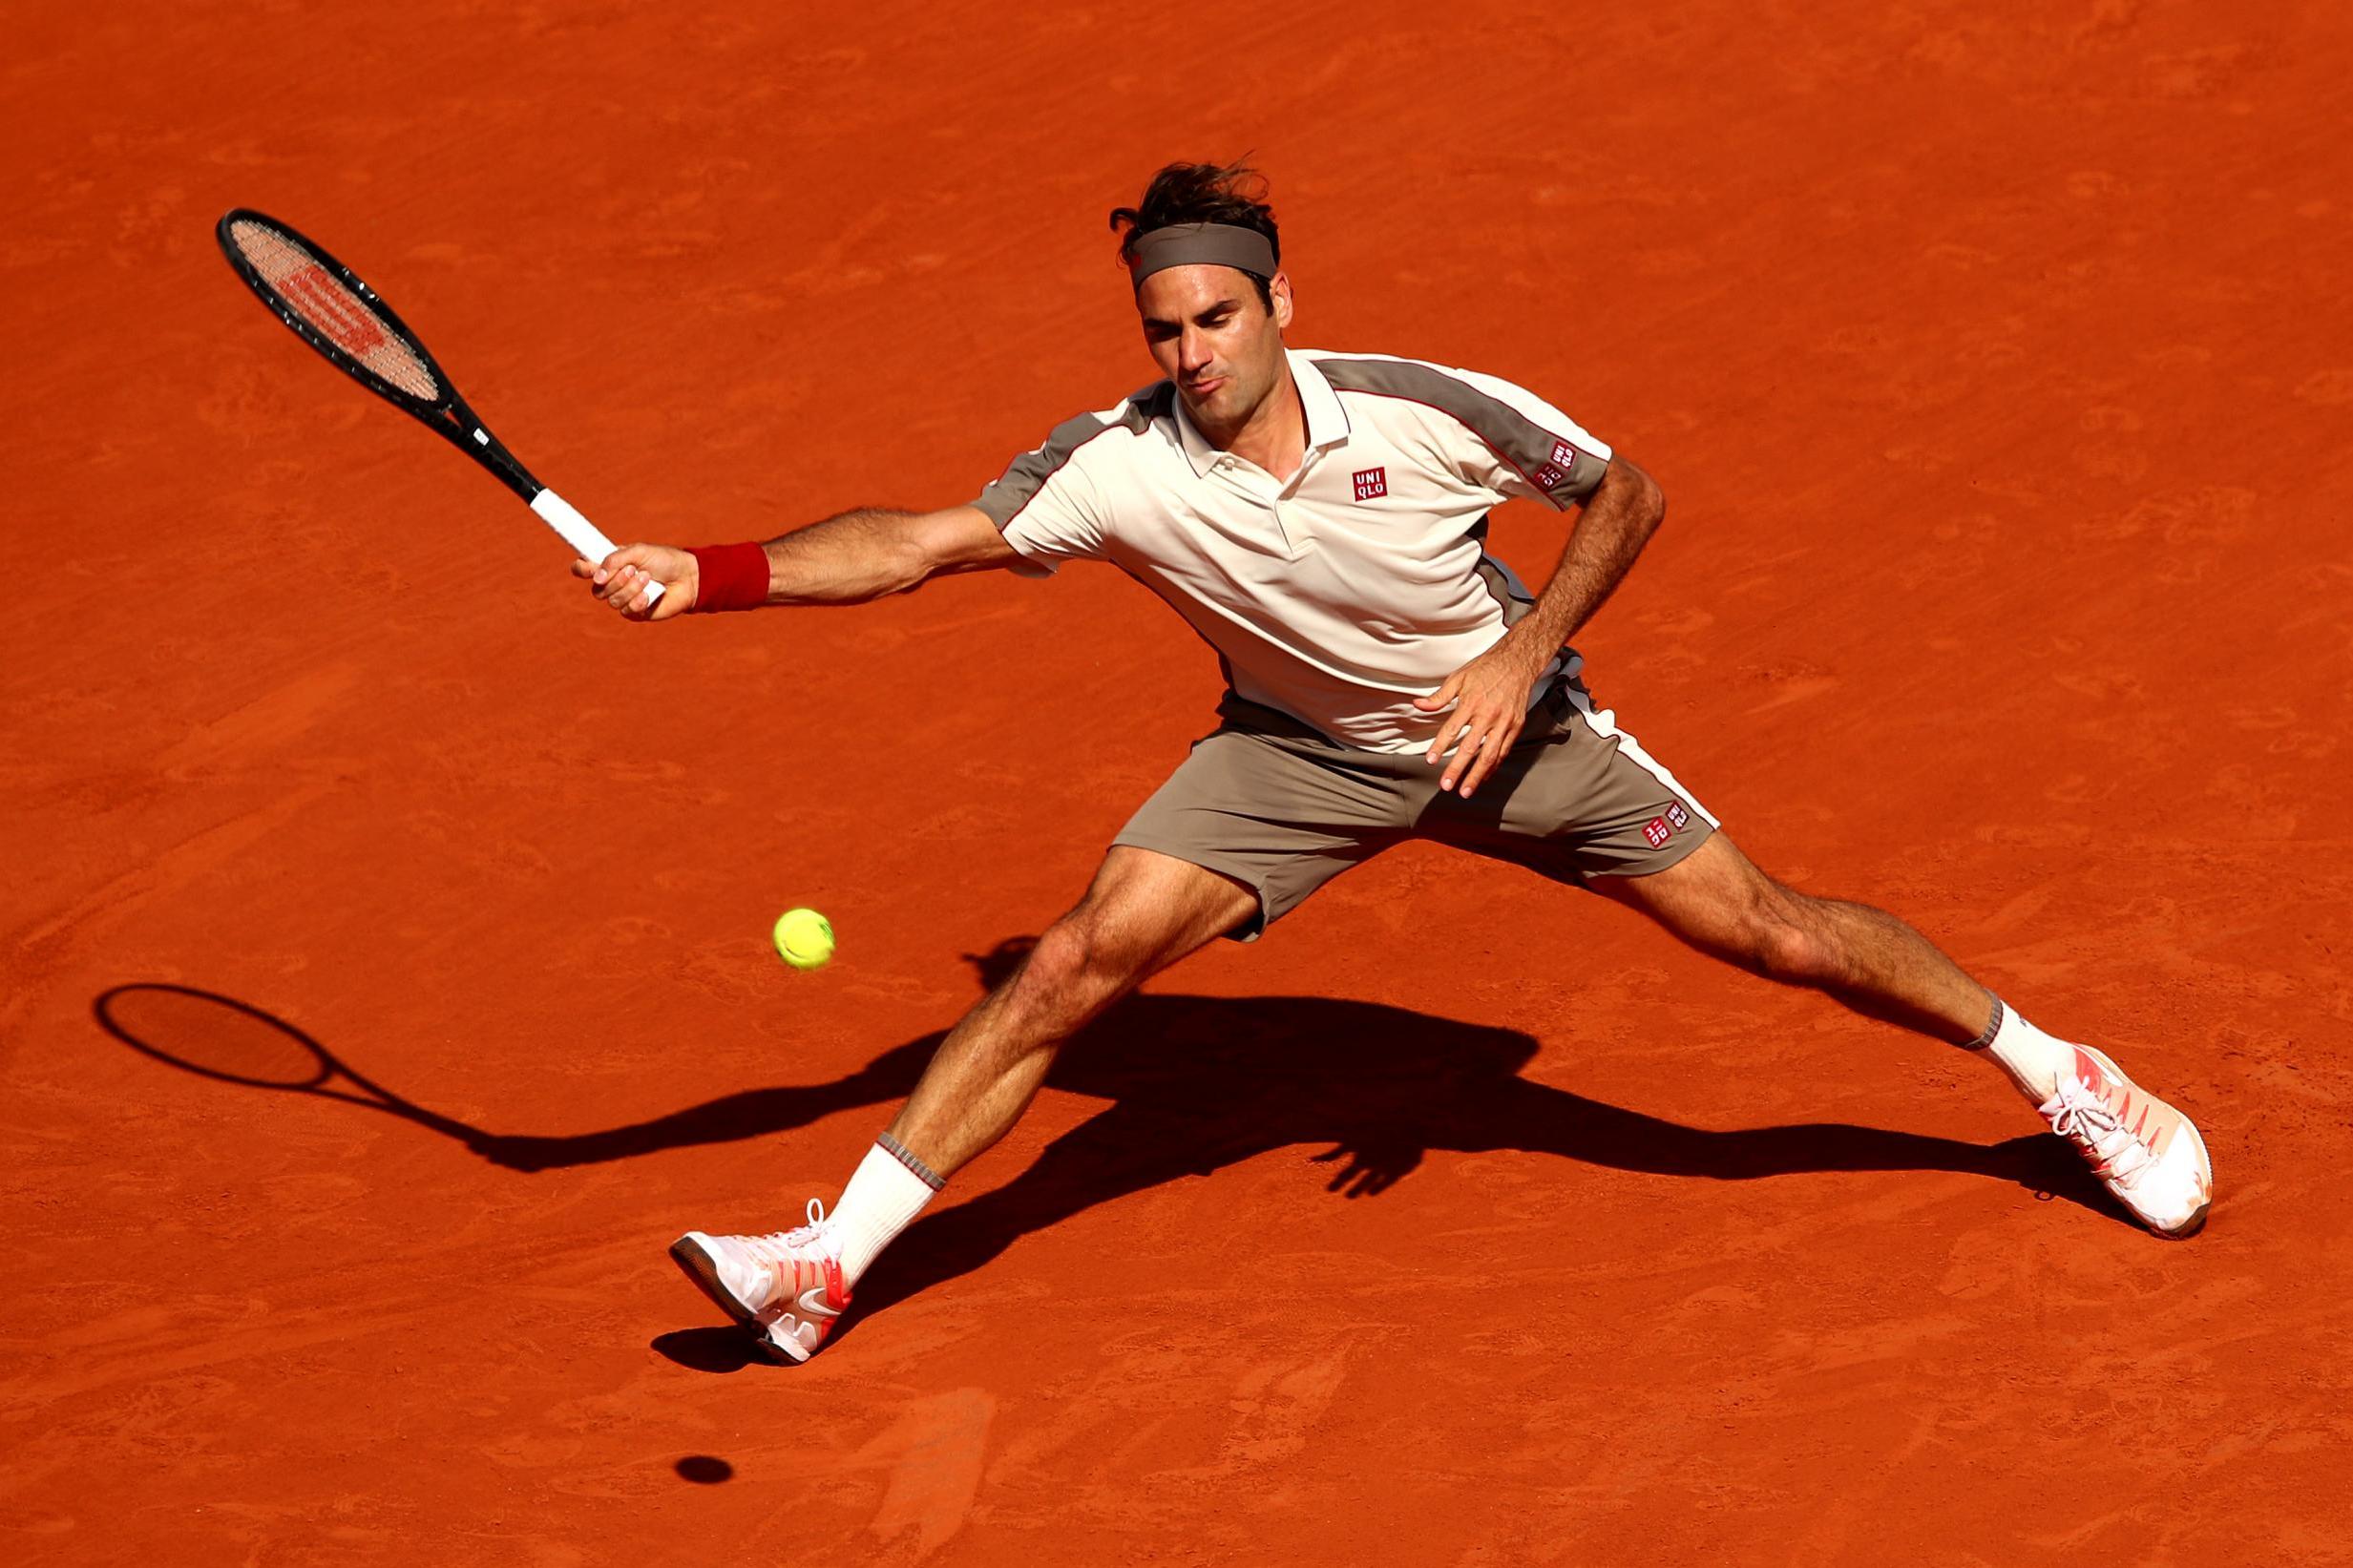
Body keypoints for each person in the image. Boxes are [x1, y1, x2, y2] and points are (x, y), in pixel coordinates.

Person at [576, 162, 2213, 1363]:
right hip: (1291, 758)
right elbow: (915, 544)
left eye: (1217, 317)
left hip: (1508, 733)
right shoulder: (1114, 467)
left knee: (1774, 934)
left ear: (1281, 304)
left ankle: (2056, 1073)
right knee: (1072, 962)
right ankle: (828, 1268)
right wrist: (700, 570)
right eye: (1164, 329)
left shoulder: (1421, 411)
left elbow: (1622, 493)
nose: (1190, 353)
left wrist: (1516, 655)